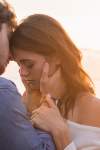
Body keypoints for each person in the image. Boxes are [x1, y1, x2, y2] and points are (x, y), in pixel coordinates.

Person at [10, 14, 100, 150]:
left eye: (29, 64)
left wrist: (59, 130)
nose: (22, 73)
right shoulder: (25, 103)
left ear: (57, 57)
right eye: (18, 65)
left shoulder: (94, 109)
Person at [0, 1, 56, 150]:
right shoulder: (3, 91)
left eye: (29, 64)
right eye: (8, 36)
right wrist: (41, 105)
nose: (11, 56)